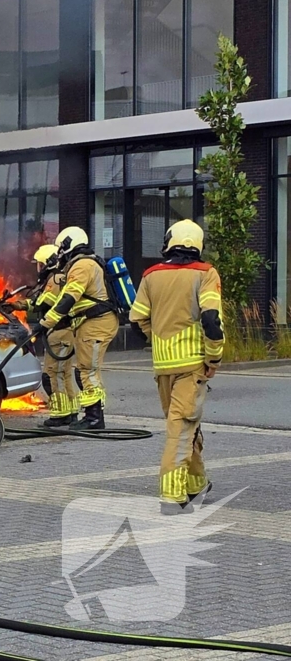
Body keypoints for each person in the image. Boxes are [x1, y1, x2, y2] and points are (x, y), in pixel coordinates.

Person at [129, 220, 223, 514]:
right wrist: (213, 358)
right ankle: (171, 495)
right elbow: (211, 319)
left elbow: (137, 320)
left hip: (163, 366)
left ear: (169, 242)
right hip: (192, 364)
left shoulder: (151, 276)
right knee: (181, 429)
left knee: (182, 425)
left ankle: (196, 484)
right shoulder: (205, 274)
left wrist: (157, 338)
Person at [36, 227, 120, 431]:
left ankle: (94, 418)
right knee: (84, 369)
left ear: (68, 245)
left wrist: (46, 322)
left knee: (88, 371)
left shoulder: (82, 265)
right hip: (90, 323)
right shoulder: (81, 264)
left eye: (61, 247)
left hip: (95, 323)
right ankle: (91, 416)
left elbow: (69, 297)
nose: (60, 253)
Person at [9, 244, 81, 428]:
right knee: (64, 374)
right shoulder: (59, 277)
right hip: (65, 332)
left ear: (48, 263)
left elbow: (42, 302)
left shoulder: (55, 279)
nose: (38, 268)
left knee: (51, 374)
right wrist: (17, 305)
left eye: (40, 264)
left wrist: (20, 305)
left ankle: (59, 414)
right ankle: (72, 412)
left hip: (58, 332)